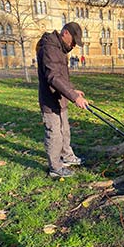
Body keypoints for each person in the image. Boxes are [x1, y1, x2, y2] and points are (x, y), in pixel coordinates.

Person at [36, 22, 89, 178]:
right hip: (50, 100)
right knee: (54, 134)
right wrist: (73, 97)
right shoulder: (49, 48)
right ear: (65, 33)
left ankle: (67, 156)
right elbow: (53, 77)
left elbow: (62, 76)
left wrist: (72, 90)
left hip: (61, 98)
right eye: (73, 41)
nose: (73, 45)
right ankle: (55, 167)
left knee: (64, 130)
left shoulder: (60, 49)